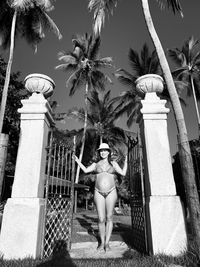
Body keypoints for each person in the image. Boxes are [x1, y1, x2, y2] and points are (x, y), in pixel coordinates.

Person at [73, 143, 128, 252]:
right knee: (101, 218)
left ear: (108, 152)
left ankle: (107, 243)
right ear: (99, 152)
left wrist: (126, 162)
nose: (103, 152)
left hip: (111, 191)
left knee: (109, 217)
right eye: (101, 151)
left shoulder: (113, 163)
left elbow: (123, 173)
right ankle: (101, 242)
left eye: (105, 150)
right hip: (98, 192)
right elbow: (85, 170)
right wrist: (77, 161)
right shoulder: (95, 164)